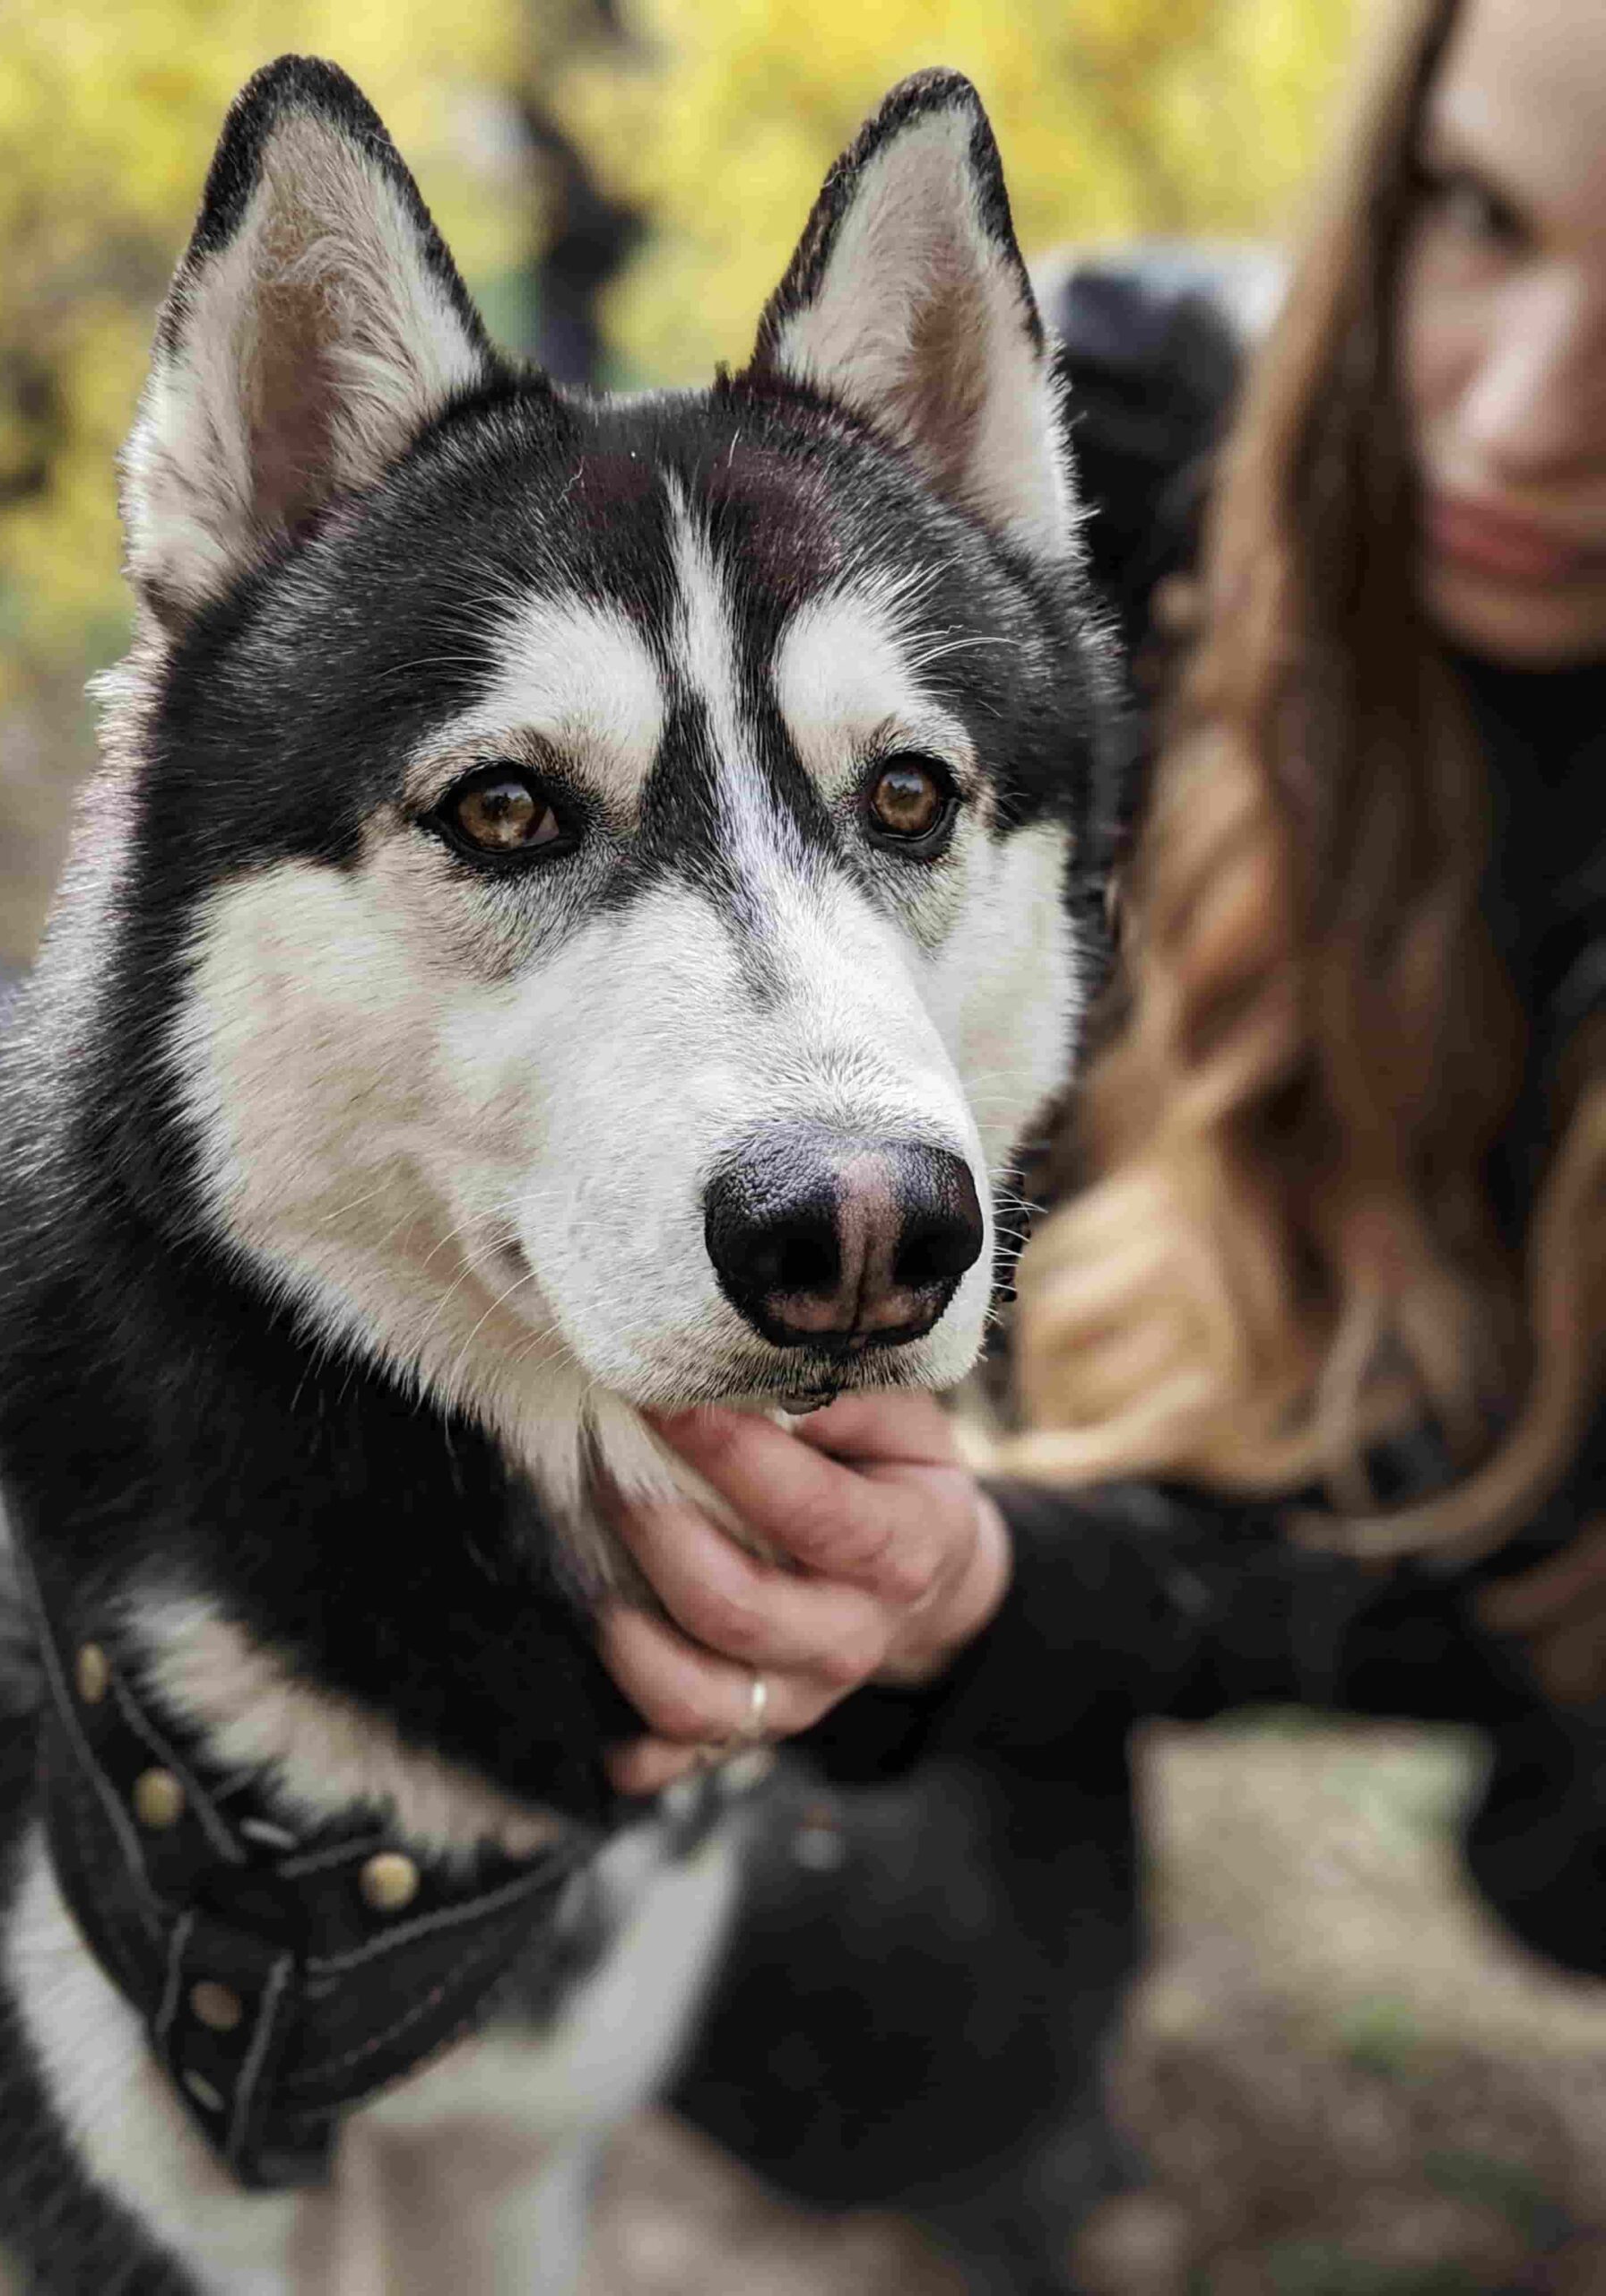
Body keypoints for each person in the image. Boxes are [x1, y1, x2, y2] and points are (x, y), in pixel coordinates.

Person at [602, 0, 1606, 2215]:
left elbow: (1496, 1582)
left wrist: (1015, 1587)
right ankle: (996, 2151)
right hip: (972, 1384)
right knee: (865, 1979)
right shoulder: (1106, 441)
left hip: (1428, 1538)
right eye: (1476, 214)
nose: (1527, 424)